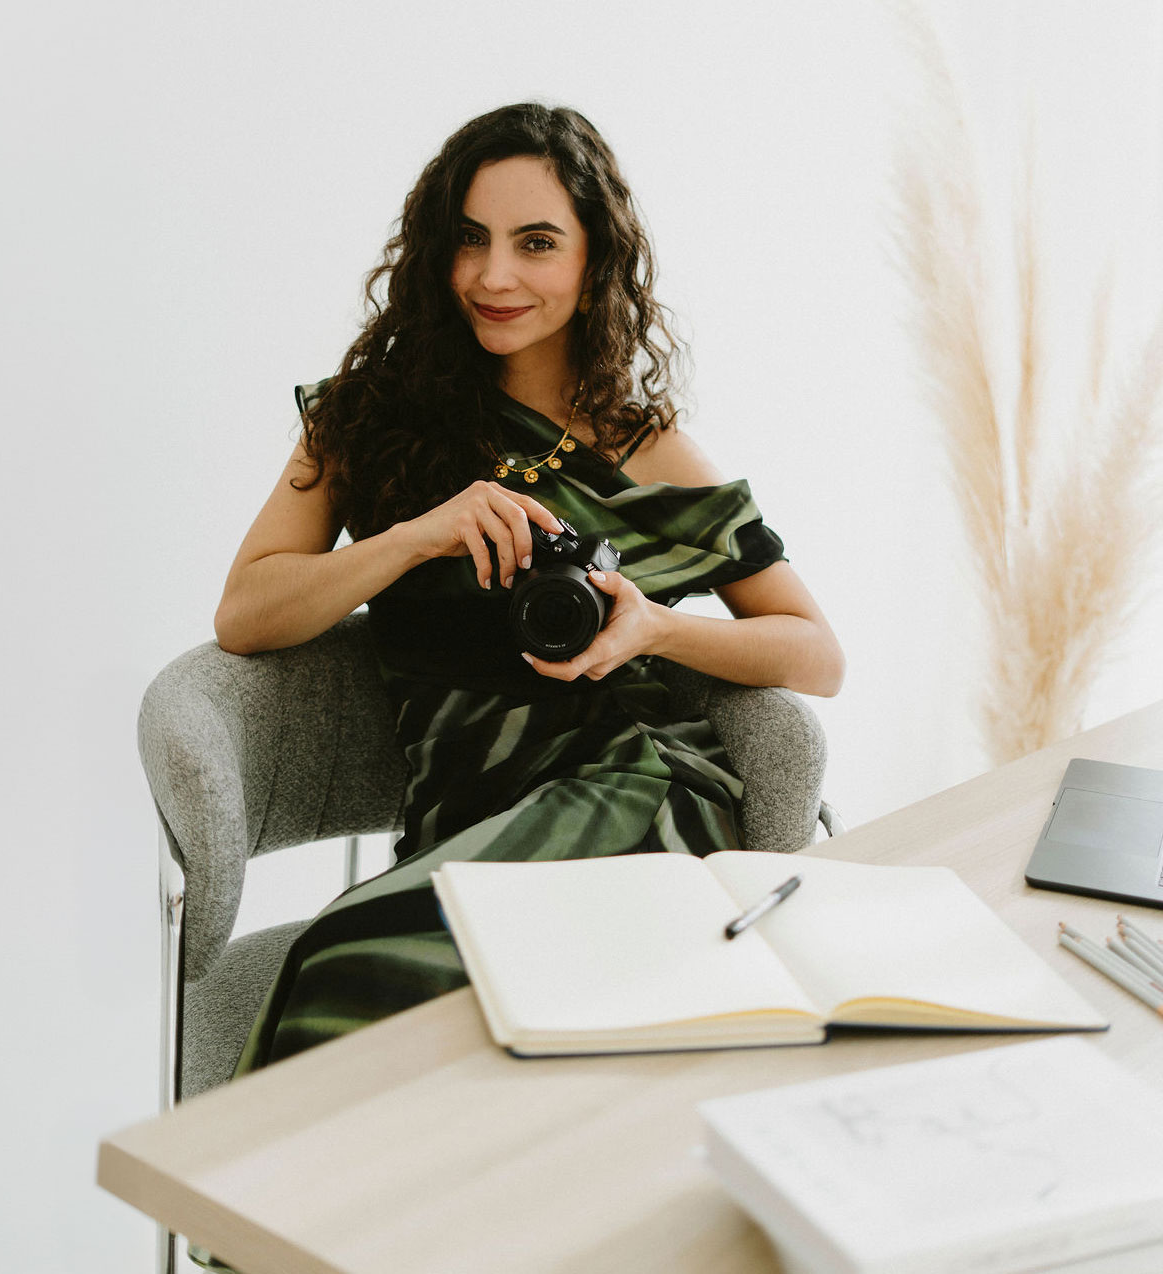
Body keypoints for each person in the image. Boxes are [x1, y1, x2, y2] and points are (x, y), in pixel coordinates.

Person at [213, 102, 844, 1078]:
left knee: (349, 968)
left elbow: (815, 653)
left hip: (633, 791)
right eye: (469, 240)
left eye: (535, 242)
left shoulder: (646, 447)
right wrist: (415, 536)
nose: (493, 276)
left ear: (593, 262)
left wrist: (651, 628)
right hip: (459, 822)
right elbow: (246, 614)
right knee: (387, 993)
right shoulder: (367, 421)